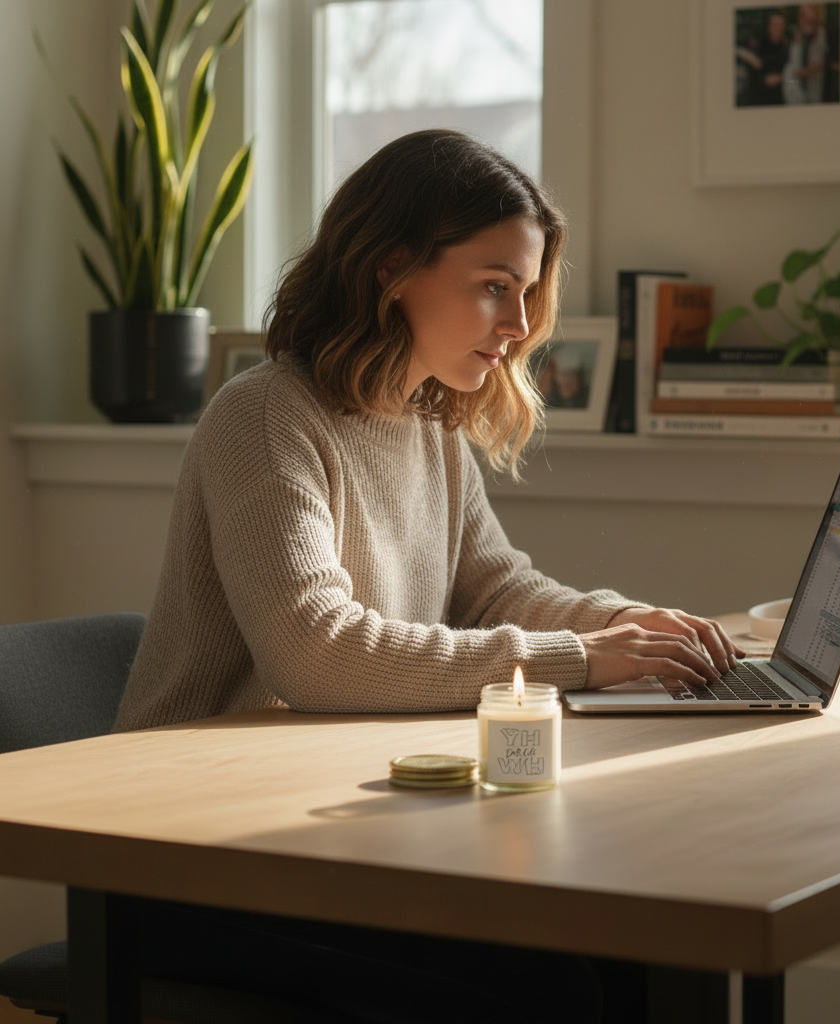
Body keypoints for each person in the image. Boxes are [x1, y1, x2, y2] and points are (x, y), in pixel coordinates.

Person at [113, 128, 743, 1022]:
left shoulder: (426, 423)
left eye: (525, 296)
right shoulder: (263, 416)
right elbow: (316, 655)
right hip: (194, 858)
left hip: (322, 837)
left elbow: (495, 586)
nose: (520, 327)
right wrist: (579, 660)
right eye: (494, 288)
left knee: (639, 954)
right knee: (554, 990)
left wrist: (622, 624)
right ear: (391, 267)